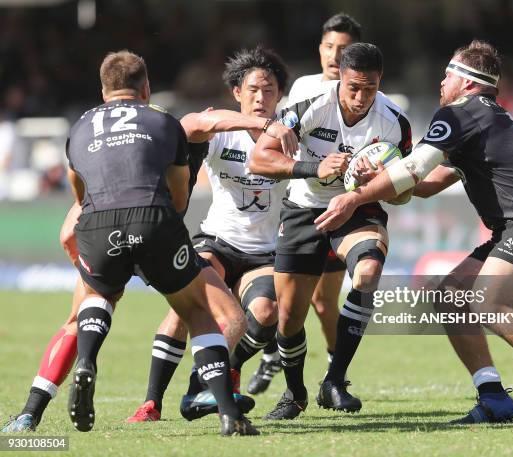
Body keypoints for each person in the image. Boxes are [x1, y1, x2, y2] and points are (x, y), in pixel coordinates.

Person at [314, 40, 513, 423]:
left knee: (486, 302)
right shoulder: (485, 118)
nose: (442, 81)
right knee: (450, 296)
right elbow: (427, 184)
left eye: (449, 74)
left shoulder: (460, 114)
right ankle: (493, 397)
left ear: (467, 83)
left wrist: (355, 197)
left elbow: (413, 171)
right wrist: (383, 177)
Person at [67, 50, 258, 436]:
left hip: (96, 224)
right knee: (198, 310)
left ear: (104, 90)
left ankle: (86, 360)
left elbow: (79, 190)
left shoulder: (80, 126)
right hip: (154, 221)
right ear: (147, 88)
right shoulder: (162, 121)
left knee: (97, 296)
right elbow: (180, 195)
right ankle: (227, 414)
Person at [126, 46, 299, 423]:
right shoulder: (225, 132)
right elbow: (189, 125)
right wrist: (258, 124)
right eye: (252, 89)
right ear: (237, 93)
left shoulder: (292, 133)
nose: (260, 97)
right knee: (182, 310)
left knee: (267, 314)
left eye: (269, 90)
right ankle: (151, 402)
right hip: (216, 243)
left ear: (280, 95)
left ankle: (212, 377)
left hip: (264, 254)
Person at [249, 42, 412, 419]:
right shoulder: (311, 106)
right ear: (340, 76)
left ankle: (334, 381)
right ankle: (295, 393)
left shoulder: (394, 122)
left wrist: (383, 182)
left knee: (368, 272)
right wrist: (312, 169)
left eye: (369, 88)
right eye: (353, 87)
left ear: (379, 81)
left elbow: (405, 194)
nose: (360, 97)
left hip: (358, 208)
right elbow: (260, 157)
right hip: (305, 208)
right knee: (288, 317)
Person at [248, 12, 362, 396]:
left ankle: (335, 373)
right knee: (284, 301)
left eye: (343, 49)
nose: (334, 55)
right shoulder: (302, 89)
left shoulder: (365, 96)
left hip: (337, 211)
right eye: (329, 47)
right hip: (294, 205)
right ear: (319, 49)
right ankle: (273, 357)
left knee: (324, 303)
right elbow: (277, 141)